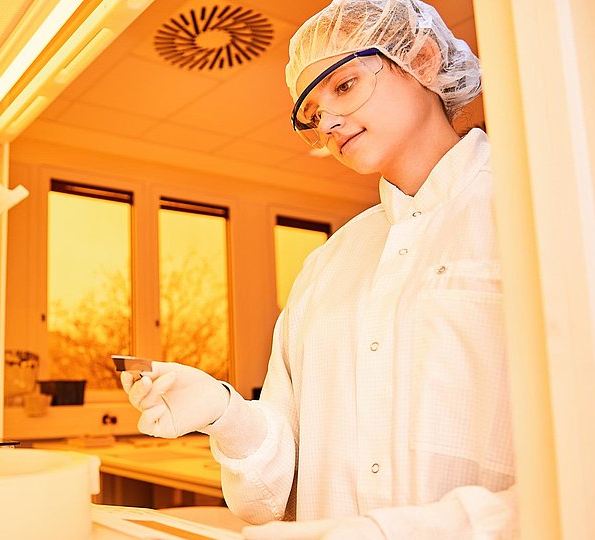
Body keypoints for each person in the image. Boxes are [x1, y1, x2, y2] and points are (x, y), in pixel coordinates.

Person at [120, 0, 516, 537]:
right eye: (311, 113)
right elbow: (273, 489)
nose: (326, 120)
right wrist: (225, 414)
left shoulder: (537, 211)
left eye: (345, 86)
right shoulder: (329, 263)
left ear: (421, 60)